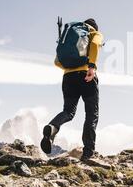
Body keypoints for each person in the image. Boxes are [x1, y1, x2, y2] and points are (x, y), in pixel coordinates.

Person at [41, 18, 103, 161]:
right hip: (86, 75)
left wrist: (71, 68)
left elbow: (57, 62)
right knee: (91, 114)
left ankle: (53, 127)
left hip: (68, 77)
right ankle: (88, 153)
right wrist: (91, 67)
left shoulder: (69, 35)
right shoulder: (94, 33)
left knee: (68, 111)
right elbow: (94, 44)